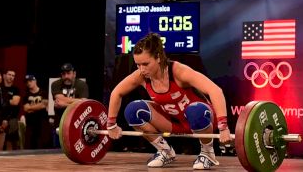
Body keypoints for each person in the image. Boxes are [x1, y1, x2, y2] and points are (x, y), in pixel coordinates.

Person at [107, 33, 231, 170]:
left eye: (145, 64)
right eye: (138, 65)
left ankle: (208, 153)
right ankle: (165, 151)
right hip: (172, 122)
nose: (141, 69)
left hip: (200, 119)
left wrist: (223, 126)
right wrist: (111, 124)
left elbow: (215, 91)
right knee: (133, 110)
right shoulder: (141, 76)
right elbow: (116, 93)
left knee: (195, 110)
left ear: (158, 58)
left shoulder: (178, 71)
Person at [50, 63, 89, 128]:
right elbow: (60, 100)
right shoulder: (55, 84)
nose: (66, 76)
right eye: (63, 74)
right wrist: (79, 101)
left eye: (68, 73)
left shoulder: (82, 85)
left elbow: (83, 104)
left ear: (74, 74)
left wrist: (64, 104)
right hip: (60, 122)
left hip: (77, 121)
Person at [23, 74, 52, 149]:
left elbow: (44, 105)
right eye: (27, 82)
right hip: (30, 124)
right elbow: (26, 109)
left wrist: (31, 108)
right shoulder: (26, 95)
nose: (28, 83)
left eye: (30, 81)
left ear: (35, 81)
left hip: (42, 123)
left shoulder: (43, 92)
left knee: (42, 145)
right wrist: (39, 106)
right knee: (29, 146)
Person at [2, 68, 21, 150]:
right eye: (9, 74)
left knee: (12, 142)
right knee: (1, 142)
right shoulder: (0, 88)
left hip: (12, 118)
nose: (11, 77)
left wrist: (2, 100)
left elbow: (15, 102)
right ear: (4, 76)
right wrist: (10, 100)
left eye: (13, 76)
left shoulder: (16, 89)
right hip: (0, 118)